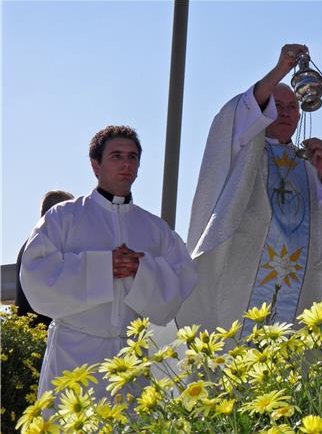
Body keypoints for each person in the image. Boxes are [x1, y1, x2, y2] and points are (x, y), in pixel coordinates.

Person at [177, 44, 322, 334]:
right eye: (276, 106)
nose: (285, 113)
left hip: (301, 288)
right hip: (243, 276)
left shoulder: (310, 165)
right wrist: (282, 69)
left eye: (292, 107)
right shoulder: (244, 152)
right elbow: (238, 113)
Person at [20, 125, 197, 399]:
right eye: (116, 156)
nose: (126, 164)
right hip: (75, 357)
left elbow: (183, 279)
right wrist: (104, 268)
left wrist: (141, 270)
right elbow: (36, 275)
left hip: (131, 362)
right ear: (95, 165)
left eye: (133, 157)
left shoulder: (155, 229)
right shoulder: (63, 218)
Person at [15, 190, 74, 327]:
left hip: (29, 333)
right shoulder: (47, 247)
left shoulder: (31, 244)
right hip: (44, 335)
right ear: (58, 213)